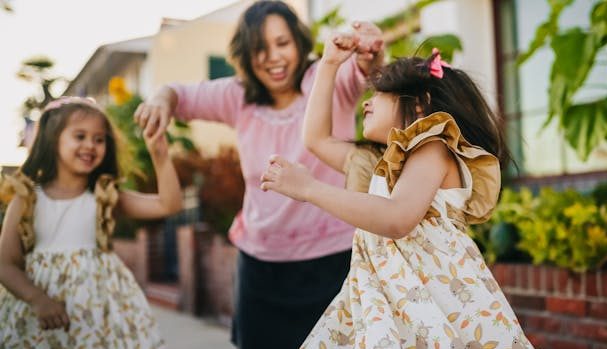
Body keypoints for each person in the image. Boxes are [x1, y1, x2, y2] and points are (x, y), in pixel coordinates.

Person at [132, 1, 384, 347]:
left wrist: (370, 51)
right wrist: (161, 101)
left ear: (299, 42)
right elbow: (177, 93)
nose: (273, 57)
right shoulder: (238, 96)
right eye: (259, 48)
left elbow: (365, 68)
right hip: (261, 266)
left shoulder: (327, 77)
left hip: (336, 260)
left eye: (282, 43)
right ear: (246, 55)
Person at [260, 34, 535, 348]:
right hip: (386, 303)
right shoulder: (378, 162)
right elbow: (316, 139)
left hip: (436, 305)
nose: (367, 102)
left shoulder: (434, 148)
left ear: (418, 104)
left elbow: (397, 217)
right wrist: (330, 63)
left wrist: (309, 188)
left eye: (379, 94)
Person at [0, 96, 182, 348]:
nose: (90, 145)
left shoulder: (105, 197)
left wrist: (160, 155)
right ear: (53, 139)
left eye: (99, 139)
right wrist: (37, 299)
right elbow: (5, 264)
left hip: (100, 321)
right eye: (80, 136)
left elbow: (168, 205)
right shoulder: (27, 199)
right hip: (39, 322)